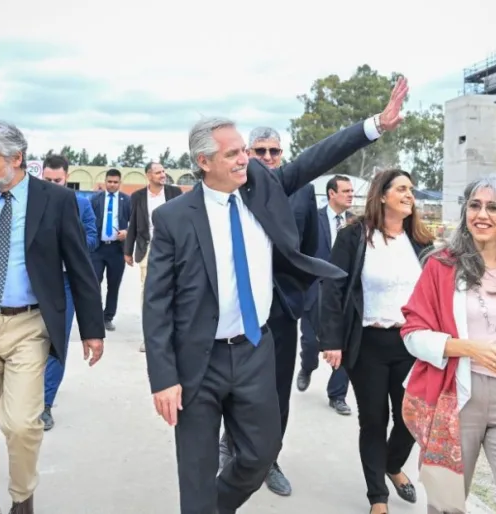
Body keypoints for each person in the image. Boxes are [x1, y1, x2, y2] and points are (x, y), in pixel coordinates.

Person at [143, 76, 409, 514]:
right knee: (196, 470)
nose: (245, 160)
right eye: (233, 154)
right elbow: (156, 304)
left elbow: (316, 157)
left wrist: (375, 124)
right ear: (204, 162)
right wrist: (163, 377)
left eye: (243, 151)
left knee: (260, 454)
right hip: (197, 360)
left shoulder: (263, 189)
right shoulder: (174, 218)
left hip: (254, 349)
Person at [0, 120, 105, 514]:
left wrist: (92, 329)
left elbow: (79, 266)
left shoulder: (56, 200)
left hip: (29, 325)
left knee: (21, 423)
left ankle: (22, 495)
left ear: (17, 158)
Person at [399, 174, 496, 513]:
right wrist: (469, 348)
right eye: (475, 205)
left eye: (493, 207)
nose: (482, 214)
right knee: (446, 505)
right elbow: (412, 333)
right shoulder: (441, 266)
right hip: (456, 396)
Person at [319, 169, 434, 514]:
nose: (409, 195)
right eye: (402, 189)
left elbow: (436, 293)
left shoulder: (421, 241)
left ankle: (392, 464)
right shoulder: (354, 236)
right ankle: (378, 498)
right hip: (367, 343)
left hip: (411, 345)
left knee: (411, 418)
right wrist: (331, 340)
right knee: (373, 420)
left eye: (411, 190)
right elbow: (333, 288)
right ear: (382, 195)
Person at [217, 126, 319, 496]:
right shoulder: (234, 187)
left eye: (274, 151)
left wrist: (298, 295)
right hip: (239, 305)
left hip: (282, 307)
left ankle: (269, 459)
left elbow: (310, 249)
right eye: (260, 151)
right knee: (234, 380)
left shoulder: (302, 192)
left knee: (277, 388)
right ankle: (231, 444)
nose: (268, 158)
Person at [40, 154, 99, 430]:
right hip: (34, 281)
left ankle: (45, 403)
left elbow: (92, 238)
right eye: (48, 180)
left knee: (56, 342)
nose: (53, 185)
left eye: (58, 180)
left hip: (64, 282)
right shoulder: (30, 202)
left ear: (67, 178)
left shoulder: (81, 204)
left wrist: (68, 242)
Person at [297, 174, 354, 415]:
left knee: (344, 344)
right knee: (311, 342)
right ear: (332, 193)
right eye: (346, 191)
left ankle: (337, 395)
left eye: (352, 191)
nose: (351, 195)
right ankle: (307, 366)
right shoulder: (314, 219)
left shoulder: (355, 223)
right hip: (315, 289)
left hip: (344, 291)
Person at [124, 161, 183, 352]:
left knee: (175, 290)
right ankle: (149, 337)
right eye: (158, 172)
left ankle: (173, 336)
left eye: (163, 171)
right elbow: (133, 223)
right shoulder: (138, 196)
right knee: (149, 292)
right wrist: (127, 250)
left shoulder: (175, 193)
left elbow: (183, 220)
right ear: (148, 175)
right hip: (148, 247)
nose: (163, 175)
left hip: (173, 248)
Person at [90, 168, 131, 332]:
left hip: (117, 250)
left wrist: (127, 232)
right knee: (94, 284)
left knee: (113, 285)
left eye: (115, 182)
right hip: (97, 249)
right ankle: (95, 316)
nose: (112, 185)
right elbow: (87, 221)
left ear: (120, 183)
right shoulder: (95, 199)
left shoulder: (127, 200)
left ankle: (108, 317)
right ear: (105, 182)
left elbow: (135, 222)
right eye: (109, 182)